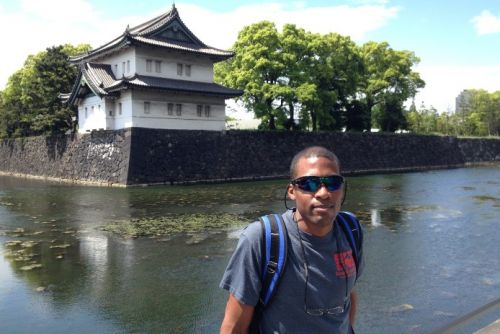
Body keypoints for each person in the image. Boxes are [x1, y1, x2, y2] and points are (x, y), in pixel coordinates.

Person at [219, 146, 364, 334]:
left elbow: (348, 295)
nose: (323, 193)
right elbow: (234, 327)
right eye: (309, 184)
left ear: (342, 188)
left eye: (332, 182)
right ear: (292, 191)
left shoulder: (351, 230)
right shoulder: (261, 239)